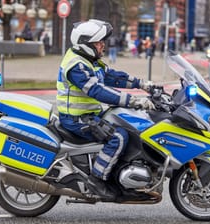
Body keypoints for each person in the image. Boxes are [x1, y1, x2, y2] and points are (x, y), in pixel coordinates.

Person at [56, 19, 155, 200]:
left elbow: (110, 77)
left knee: (130, 125)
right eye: (98, 42)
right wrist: (133, 100)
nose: (103, 45)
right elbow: (97, 90)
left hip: (88, 115)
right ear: (86, 44)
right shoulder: (76, 66)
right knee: (117, 137)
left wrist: (142, 84)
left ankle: (120, 178)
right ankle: (97, 180)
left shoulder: (89, 61)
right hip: (76, 119)